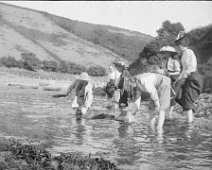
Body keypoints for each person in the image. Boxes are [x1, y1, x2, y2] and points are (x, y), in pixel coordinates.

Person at [174, 31, 203, 123]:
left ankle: (189, 125)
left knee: (187, 101)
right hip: (189, 77)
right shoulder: (184, 54)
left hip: (193, 78)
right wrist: (178, 80)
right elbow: (184, 69)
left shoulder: (188, 52)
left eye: (177, 45)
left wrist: (183, 77)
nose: (177, 48)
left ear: (180, 45)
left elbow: (191, 67)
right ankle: (189, 120)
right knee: (179, 96)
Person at [158, 46, 181, 118]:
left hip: (174, 80)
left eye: (165, 53)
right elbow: (161, 70)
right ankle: (164, 111)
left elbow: (178, 72)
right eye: (163, 53)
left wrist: (169, 73)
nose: (164, 54)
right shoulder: (163, 61)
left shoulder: (175, 61)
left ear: (170, 53)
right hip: (166, 80)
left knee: (173, 97)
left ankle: (170, 113)